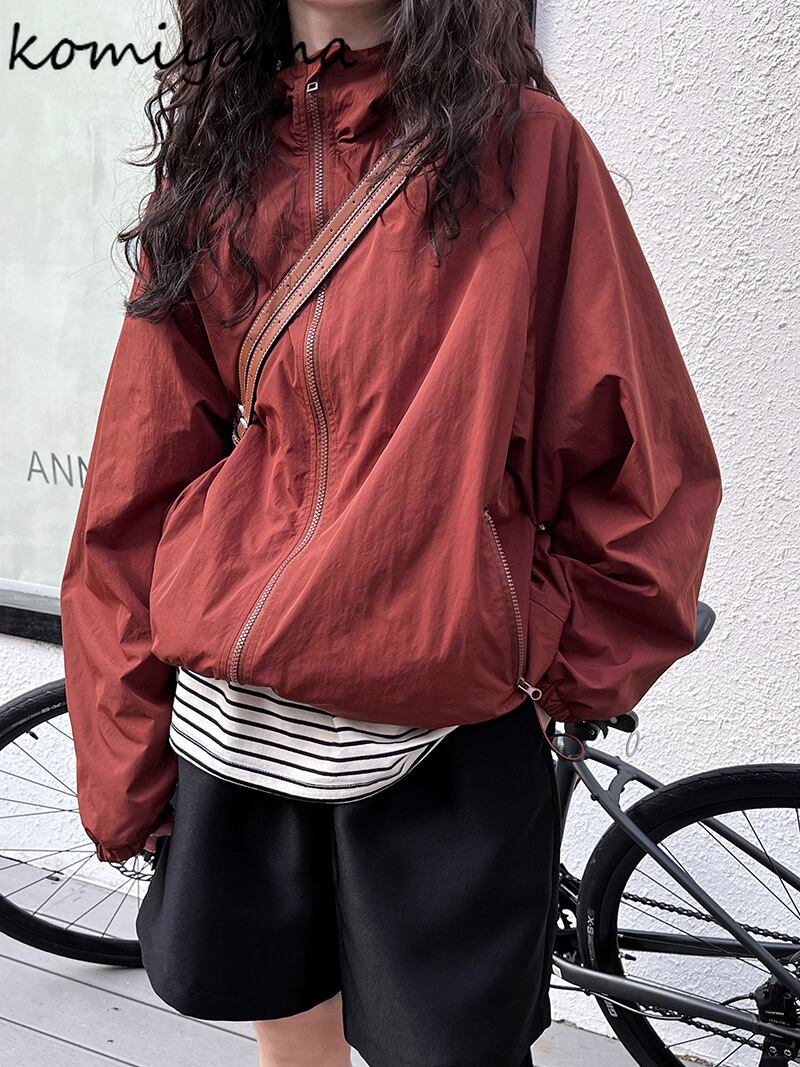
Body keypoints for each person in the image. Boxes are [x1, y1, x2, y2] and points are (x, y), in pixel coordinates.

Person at [59, 1, 723, 1065]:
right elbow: (138, 472)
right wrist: (123, 750)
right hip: (239, 720)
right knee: (293, 1040)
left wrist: (542, 649)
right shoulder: (223, 154)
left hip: (444, 726)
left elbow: (641, 455)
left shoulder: (524, 149)